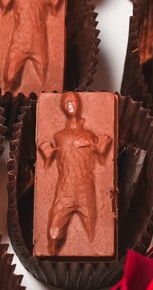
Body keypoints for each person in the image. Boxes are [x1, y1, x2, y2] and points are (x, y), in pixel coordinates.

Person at [38, 92, 114, 252]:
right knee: (54, 228)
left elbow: (102, 157)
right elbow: (46, 167)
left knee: (93, 230)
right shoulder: (58, 136)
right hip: (64, 188)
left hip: (85, 187)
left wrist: (92, 143)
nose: (70, 104)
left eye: (73, 101)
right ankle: (51, 251)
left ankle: (95, 249)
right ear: (62, 106)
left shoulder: (89, 135)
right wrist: (47, 154)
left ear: (79, 104)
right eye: (66, 102)